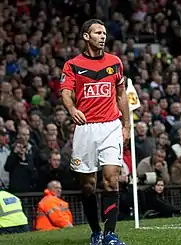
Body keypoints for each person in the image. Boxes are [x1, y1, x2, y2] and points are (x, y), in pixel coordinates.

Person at [60, 19, 130, 245]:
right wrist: (72, 109)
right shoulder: (72, 64)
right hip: (85, 128)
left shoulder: (115, 62)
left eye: (104, 32)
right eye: (98, 33)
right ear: (86, 36)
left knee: (111, 179)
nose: (103, 36)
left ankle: (110, 234)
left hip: (111, 125)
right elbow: (66, 92)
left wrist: (127, 125)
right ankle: (95, 231)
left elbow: (121, 96)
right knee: (88, 185)